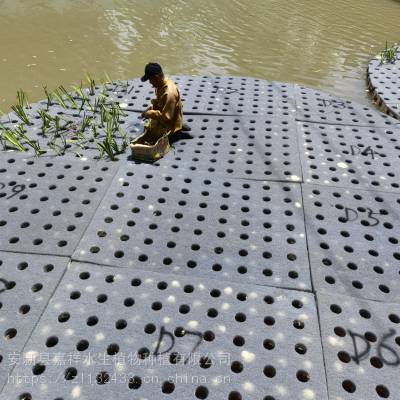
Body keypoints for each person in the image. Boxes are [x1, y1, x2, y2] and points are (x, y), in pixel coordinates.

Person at [133, 62, 183, 146]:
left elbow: (166, 117)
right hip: (170, 115)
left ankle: (177, 133)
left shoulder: (169, 93)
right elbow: (159, 100)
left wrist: (149, 114)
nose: (150, 82)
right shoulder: (161, 84)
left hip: (170, 121)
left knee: (152, 135)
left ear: (156, 78)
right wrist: (151, 107)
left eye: (150, 80)